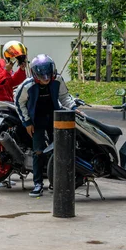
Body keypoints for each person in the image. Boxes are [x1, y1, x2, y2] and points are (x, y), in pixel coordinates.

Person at [14, 54, 76, 197]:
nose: (46, 80)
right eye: (43, 77)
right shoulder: (27, 85)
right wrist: (27, 122)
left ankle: (56, 181)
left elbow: (64, 96)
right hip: (37, 119)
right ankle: (38, 184)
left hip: (55, 117)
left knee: (59, 148)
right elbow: (19, 103)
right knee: (38, 151)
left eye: (48, 76)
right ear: (36, 74)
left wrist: (73, 107)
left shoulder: (57, 80)